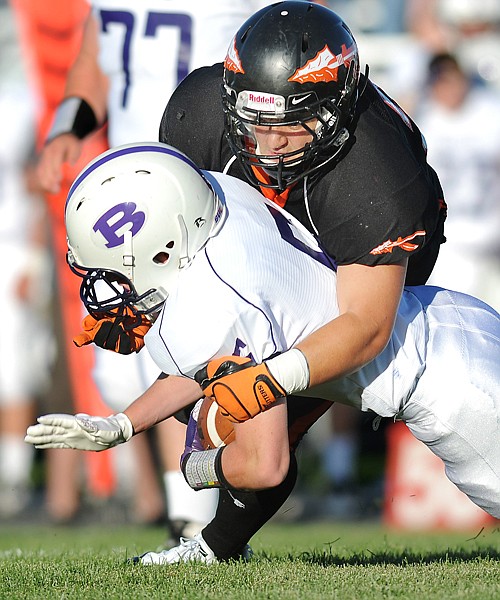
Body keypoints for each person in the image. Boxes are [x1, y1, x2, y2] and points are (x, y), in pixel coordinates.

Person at [25, 142, 500, 566]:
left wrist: (197, 465)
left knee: (227, 419)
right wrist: (122, 425)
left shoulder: (213, 307)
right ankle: (217, 547)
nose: (104, 287)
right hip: (450, 317)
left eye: (111, 271)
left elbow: (264, 465)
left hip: (452, 393)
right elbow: (212, 358)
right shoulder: (223, 199)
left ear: (164, 250)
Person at [35, 0, 276, 539]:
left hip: (194, 182)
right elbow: (96, 56)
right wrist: (66, 124)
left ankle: (194, 518)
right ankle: (196, 505)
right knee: (120, 372)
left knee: (180, 348)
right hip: (121, 190)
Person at [415, 52, 500, 313]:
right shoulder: (423, 119)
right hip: (450, 246)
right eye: (442, 80)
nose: (449, 88)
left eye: (453, 78)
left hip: (492, 238)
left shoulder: (490, 111)